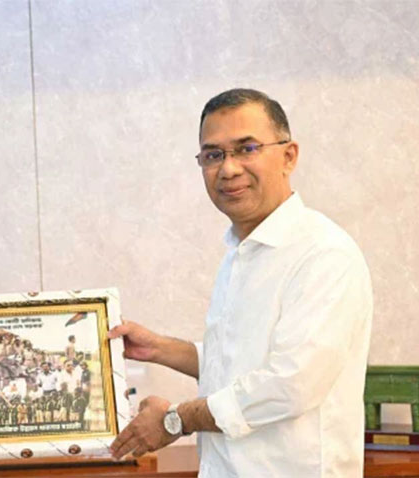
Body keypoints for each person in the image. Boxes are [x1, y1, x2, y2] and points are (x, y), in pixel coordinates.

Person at [108, 88, 372, 477]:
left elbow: (290, 385)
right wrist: (159, 349)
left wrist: (175, 420)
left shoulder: (323, 254)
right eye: (213, 155)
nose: (228, 169)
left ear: (289, 156)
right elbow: (238, 361)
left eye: (247, 149)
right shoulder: (240, 251)